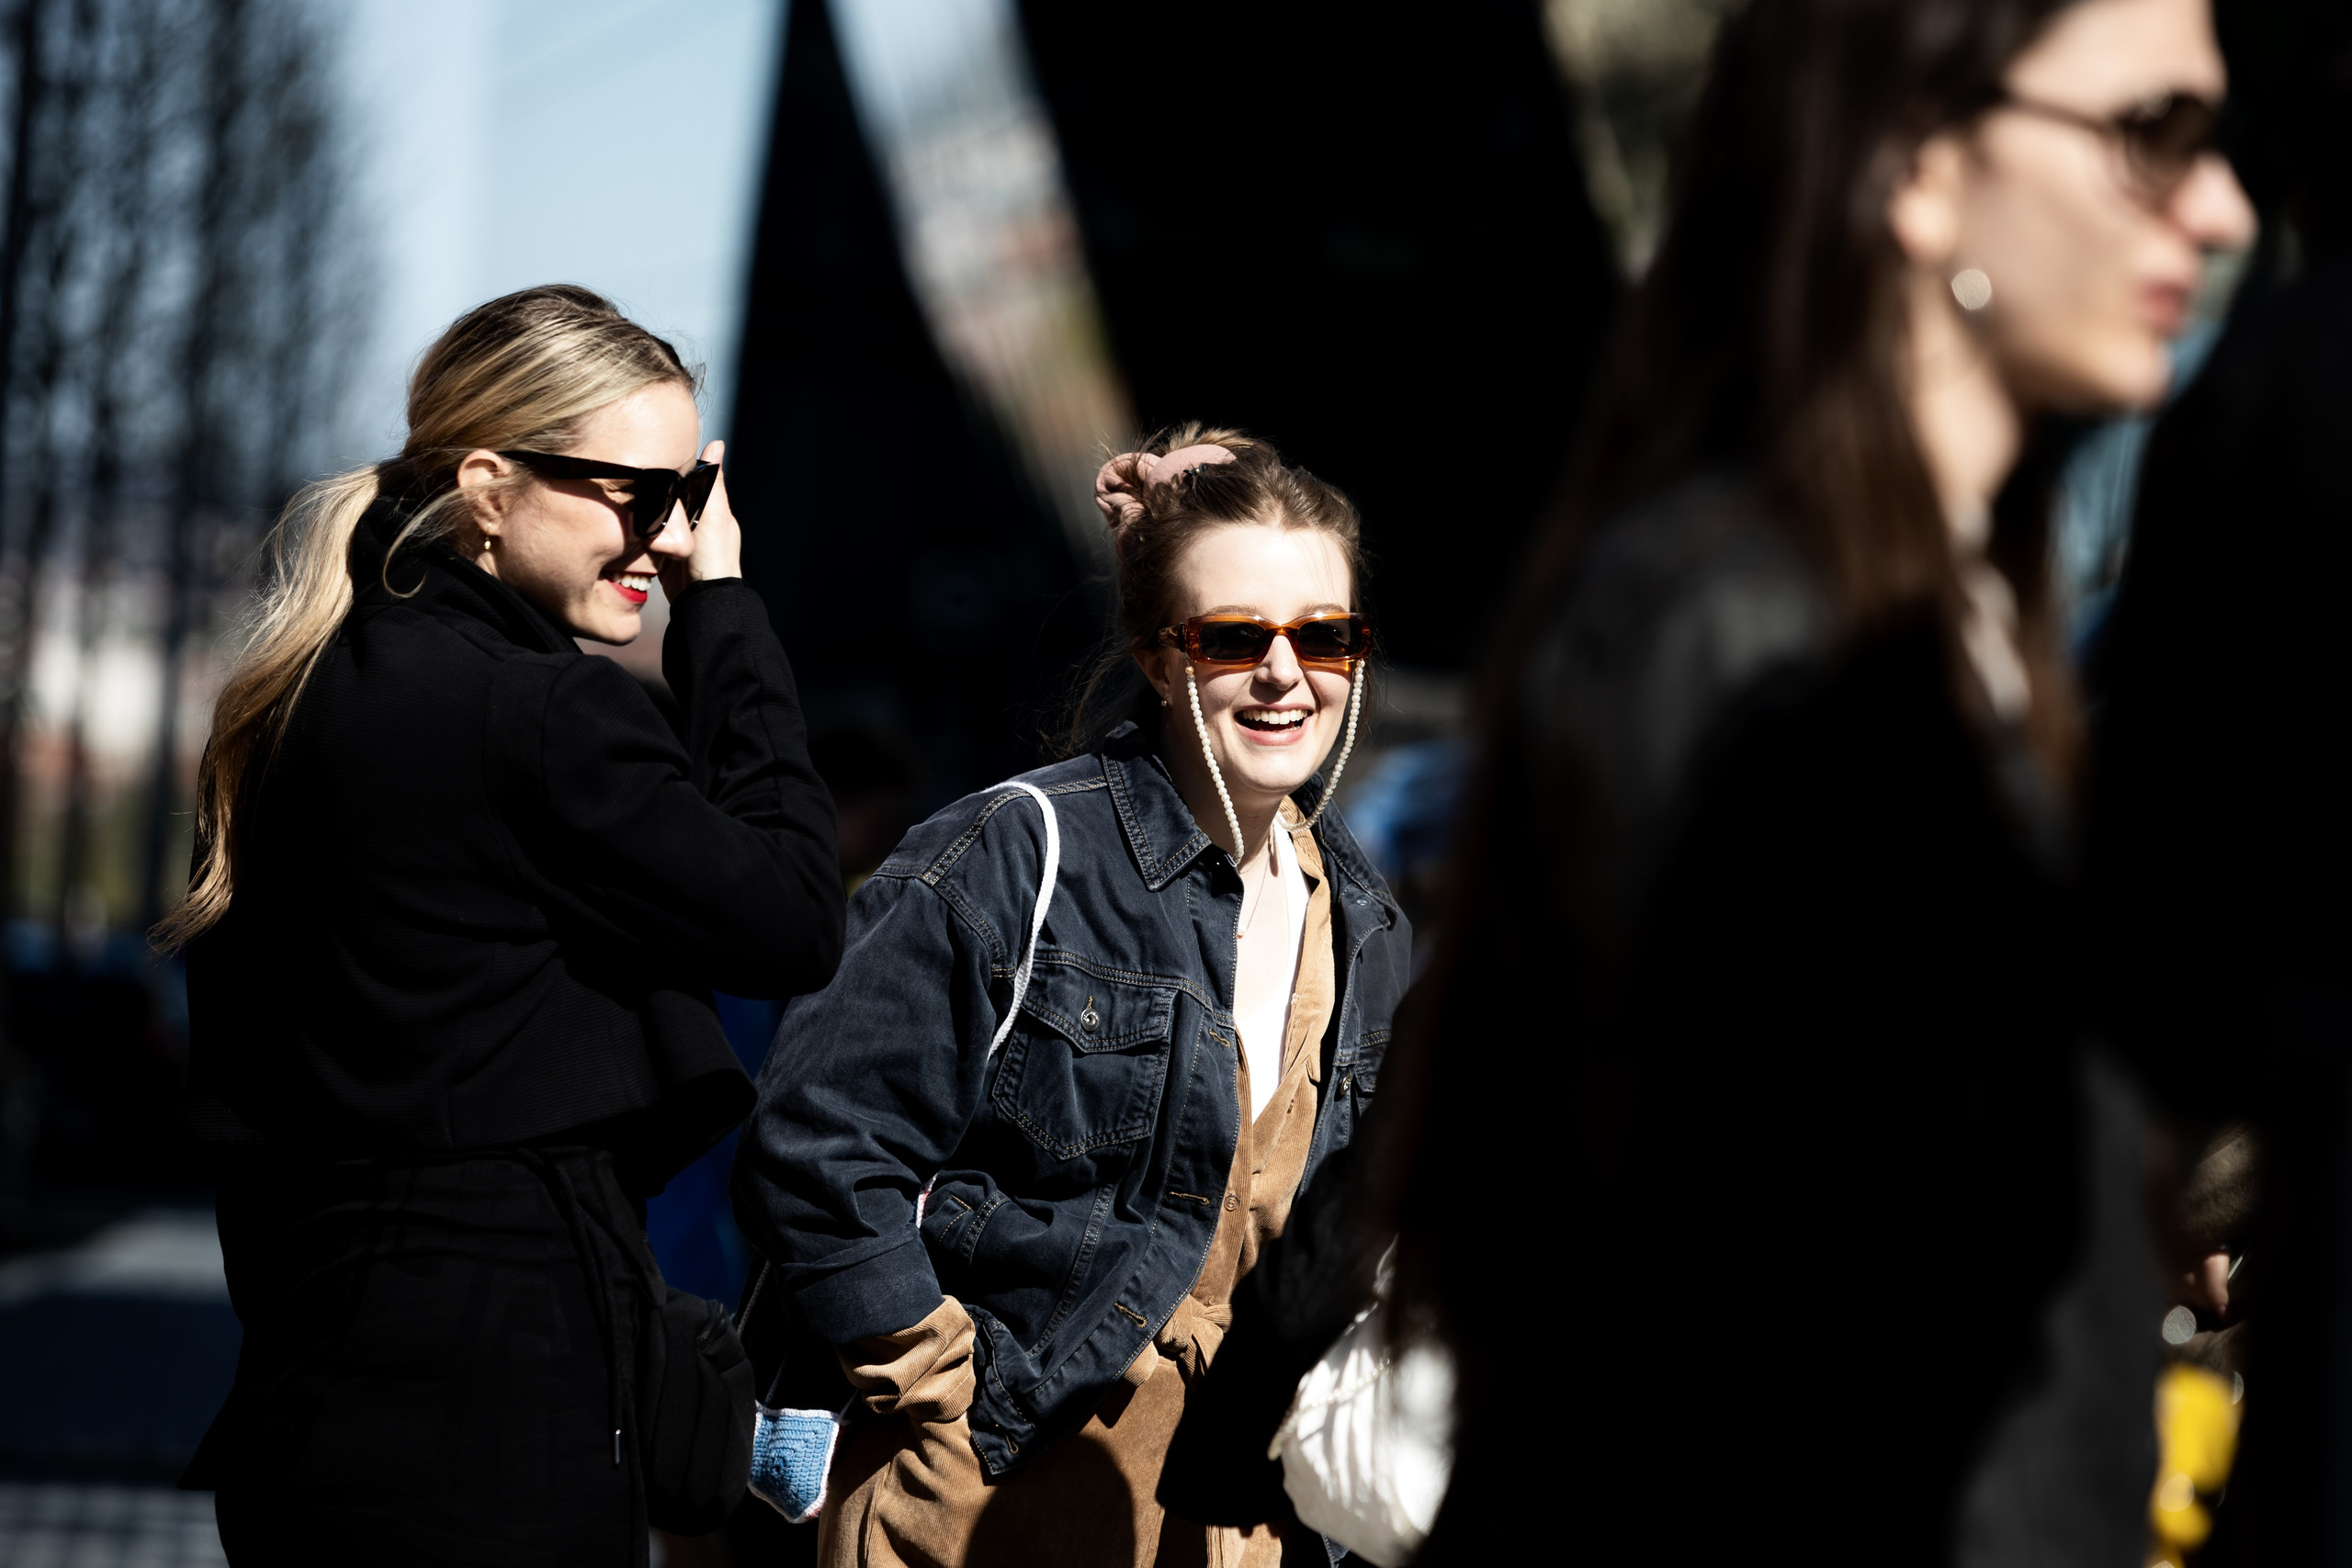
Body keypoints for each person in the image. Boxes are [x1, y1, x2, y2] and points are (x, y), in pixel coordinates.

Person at [1371, 0, 2255, 1560]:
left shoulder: (1954, 621)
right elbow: (1735, 1364)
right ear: (1918, 161)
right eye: (2152, 134)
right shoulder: (1738, 638)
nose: (2220, 203)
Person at [167, 285, 844, 1566]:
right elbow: (796, 912)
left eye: (687, 500)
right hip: (499, 1412)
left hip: (315, 1387)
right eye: (635, 495)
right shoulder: (535, 718)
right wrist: (728, 605)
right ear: (488, 485)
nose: (668, 536)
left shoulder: (299, 695)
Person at [732, 427, 1412, 1566]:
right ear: (1158, 657)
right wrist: (939, 1397)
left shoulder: (1366, 919)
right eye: (1236, 636)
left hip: (1242, 1524)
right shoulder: (1014, 852)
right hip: (991, 1505)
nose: (1286, 674)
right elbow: (815, 1141)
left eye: (1326, 637)